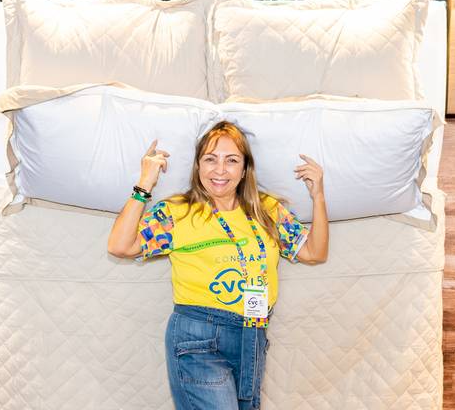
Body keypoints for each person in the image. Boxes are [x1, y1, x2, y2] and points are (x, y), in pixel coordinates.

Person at [107, 120, 328, 410]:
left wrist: (318, 195)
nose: (220, 170)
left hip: (252, 335)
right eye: (210, 159)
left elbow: (314, 252)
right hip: (199, 338)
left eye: (231, 160)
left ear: (244, 169)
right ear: (198, 166)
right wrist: (145, 183)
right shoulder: (177, 212)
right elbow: (120, 246)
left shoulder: (267, 210)